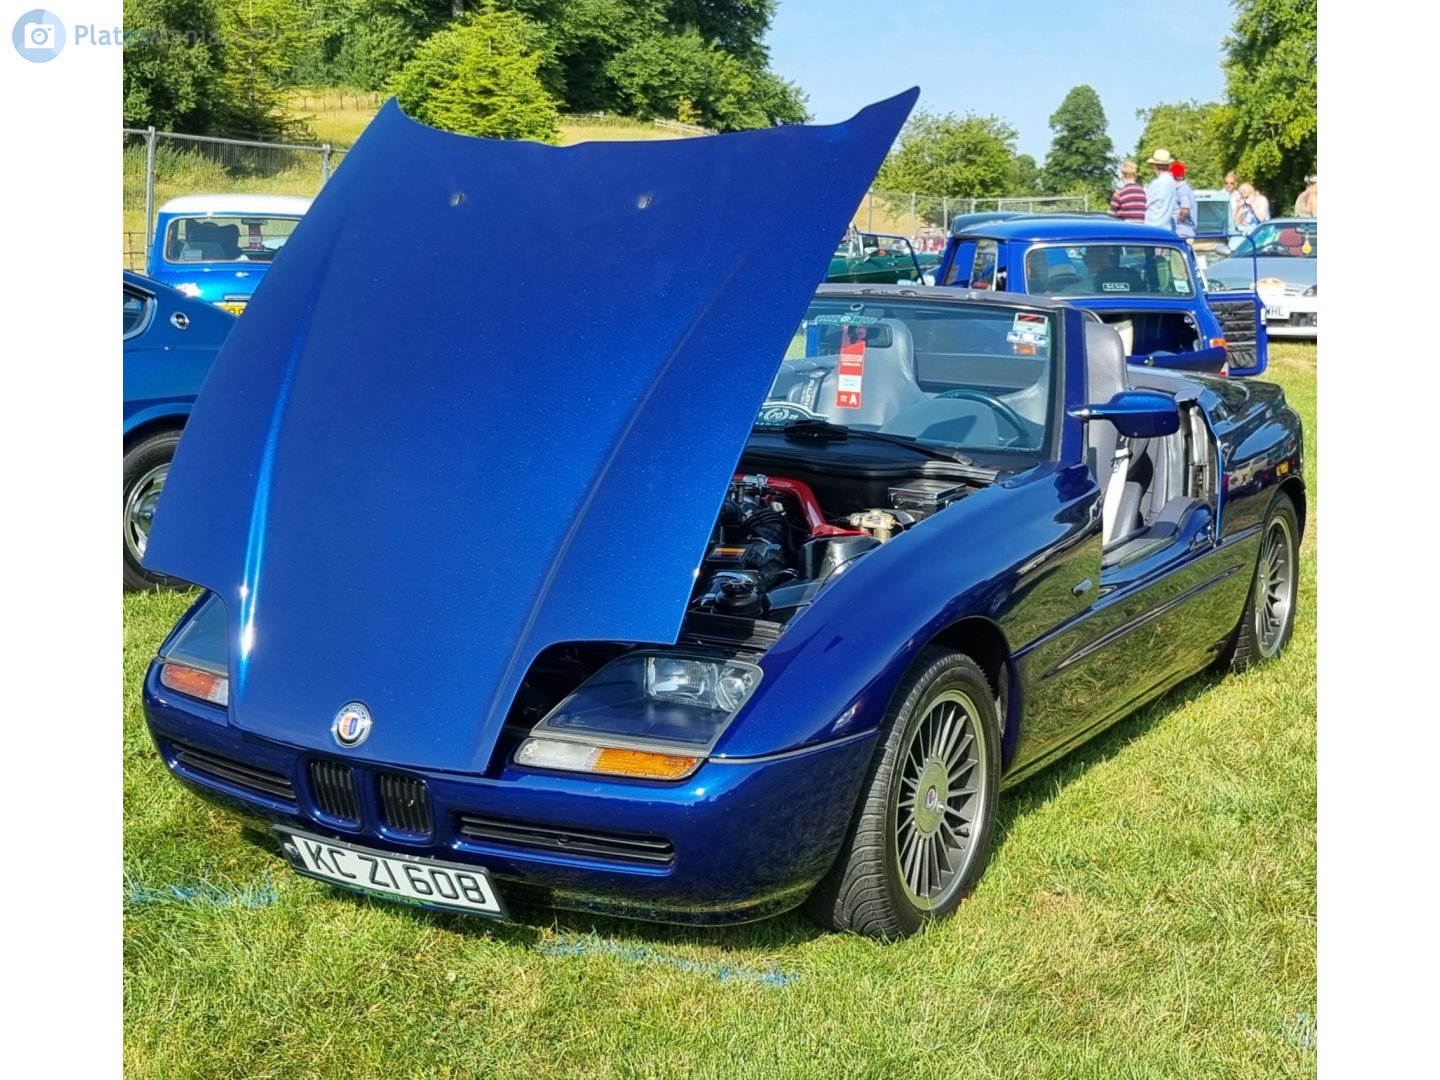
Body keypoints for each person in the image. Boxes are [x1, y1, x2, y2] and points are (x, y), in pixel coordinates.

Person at [1144, 148, 1178, 229]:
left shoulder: (1156, 184)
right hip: (1167, 227)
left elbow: (1145, 203)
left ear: (1155, 166)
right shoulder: (1172, 182)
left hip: (1152, 226)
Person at [1171, 161, 1198, 240]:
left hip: (1182, 231)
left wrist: (1178, 222)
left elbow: (1185, 208)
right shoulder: (1184, 188)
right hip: (1185, 230)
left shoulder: (1182, 189)